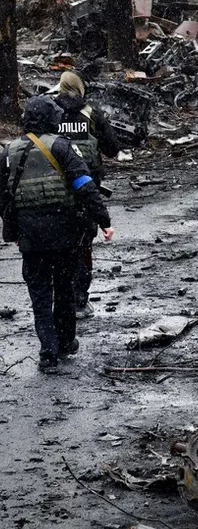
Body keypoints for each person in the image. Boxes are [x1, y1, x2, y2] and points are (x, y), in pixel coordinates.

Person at [0, 96, 112, 373]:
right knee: (63, 288)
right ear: (52, 119)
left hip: (30, 237)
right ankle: (65, 341)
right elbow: (85, 185)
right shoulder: (62, 147)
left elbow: (4, 198)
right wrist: (103, 220)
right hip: (64, 233)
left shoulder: (8, 152)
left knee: (39, 295)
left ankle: (47, 351)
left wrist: (12, 230)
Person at [55, 71, 119, 318]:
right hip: (86, 189)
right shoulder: (91, 114)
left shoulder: (50, 113)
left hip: (56, 190)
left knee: (58, 244)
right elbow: (113, 148)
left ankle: (59, 298)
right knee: (83, 245)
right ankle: (80, 300)